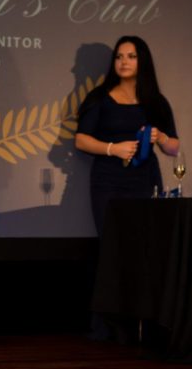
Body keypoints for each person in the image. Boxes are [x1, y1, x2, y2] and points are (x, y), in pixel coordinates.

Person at [74, 35, 180, 238]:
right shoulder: (100, 97)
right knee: (112, 242)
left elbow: (173, 148)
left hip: (146, 180)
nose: (124, 62)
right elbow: (81, 140)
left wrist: (161, 137)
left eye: (131, 56)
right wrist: (113, 148)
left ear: (143, 61)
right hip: (108, 181)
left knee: (144, 241)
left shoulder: (156, 101)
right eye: (119, 57)